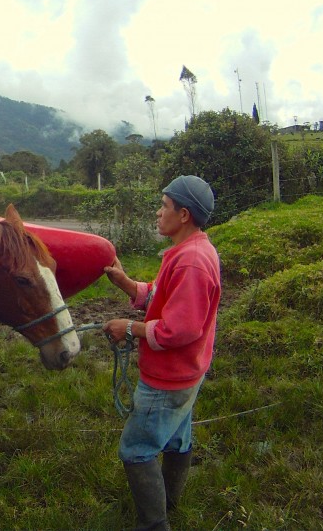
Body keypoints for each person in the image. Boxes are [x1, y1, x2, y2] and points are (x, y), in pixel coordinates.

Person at [102, 175, 221, 531]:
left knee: (135, 449)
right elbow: (163, 295)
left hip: (168, 378)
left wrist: (130, 328)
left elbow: (179, 329)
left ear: (183, 214)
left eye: (164, 206)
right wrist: (128, 285)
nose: (158, 212)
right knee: (177, 437)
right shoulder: (189, 251)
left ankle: (155, 524)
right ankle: (170, 501)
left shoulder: (191, 262)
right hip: (188, 373)